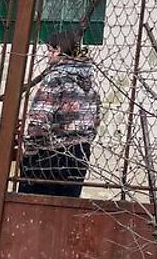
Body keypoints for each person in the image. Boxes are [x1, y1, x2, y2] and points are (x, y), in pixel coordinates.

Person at [17, 28, 101, 197]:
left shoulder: (55, 78)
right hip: (80, 154)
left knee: (30, 207)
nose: (48, 56)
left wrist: (32, 149)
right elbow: (96, 117)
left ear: (59, 51)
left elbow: (40, 118)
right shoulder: (90, 81)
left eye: (50, 50)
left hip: (50, 153)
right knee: (66, 209)